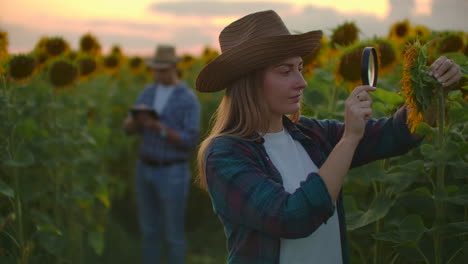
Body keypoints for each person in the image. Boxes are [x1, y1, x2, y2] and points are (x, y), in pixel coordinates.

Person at [195, 10, 462, 264]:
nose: (302, 82)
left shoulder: (308, 134)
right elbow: (292, 217)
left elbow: (393, 135)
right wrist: (349, 139)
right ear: (249, 82)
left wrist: (433, 90)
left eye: (299, 68)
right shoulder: (225, 154)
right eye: (285, 71)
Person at [123, 44, 200, 264]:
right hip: (144, 167)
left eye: (163, 69)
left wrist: (159, 128)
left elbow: (190, 141)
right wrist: (135, 121)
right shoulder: (148, 92)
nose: (158, 73)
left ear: (175, 66)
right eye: (156, 69)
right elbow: (127, 128)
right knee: (149, 230)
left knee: (174, 234)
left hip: (172, 171)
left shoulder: (187, 98)